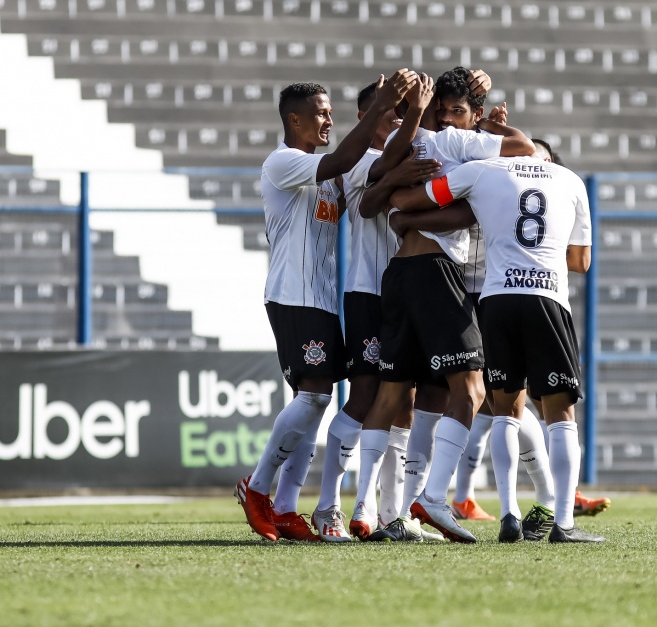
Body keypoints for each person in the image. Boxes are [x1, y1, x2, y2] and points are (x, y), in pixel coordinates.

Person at [351, 67, 535, 544]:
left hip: (400, 274)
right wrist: (487, 126)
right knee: (473, 390)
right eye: (445, 110)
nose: (450, 119)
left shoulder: (411, 144)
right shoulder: (459, 143)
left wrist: (407, 214)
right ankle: (433, 500)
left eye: (458, 111)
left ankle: (365, 510)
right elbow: (526, 149)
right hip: (437, 274)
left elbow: (382, 204)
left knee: (393, 395)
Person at [388, 143, 606, 543]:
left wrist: (400, 213)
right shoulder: (570, 180)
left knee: (504, 411)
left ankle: (509, 511)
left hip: (496, 300)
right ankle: (564, 523)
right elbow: (580, 261)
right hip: (547, 298)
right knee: (560, 415)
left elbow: (412, 199)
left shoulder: (485, 170)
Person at [234, 71, 418, 542]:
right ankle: (257, 489)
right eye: (319, 113)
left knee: (313, 405)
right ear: (293, 120)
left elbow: (350, 169)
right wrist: (382, 107)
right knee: (315, 396)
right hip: (292, 295)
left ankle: (288, 506)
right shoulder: (283, 163)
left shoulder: (330, 178)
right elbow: (342, 158)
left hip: (322, 301)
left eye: (330, 112)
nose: (326, 119)